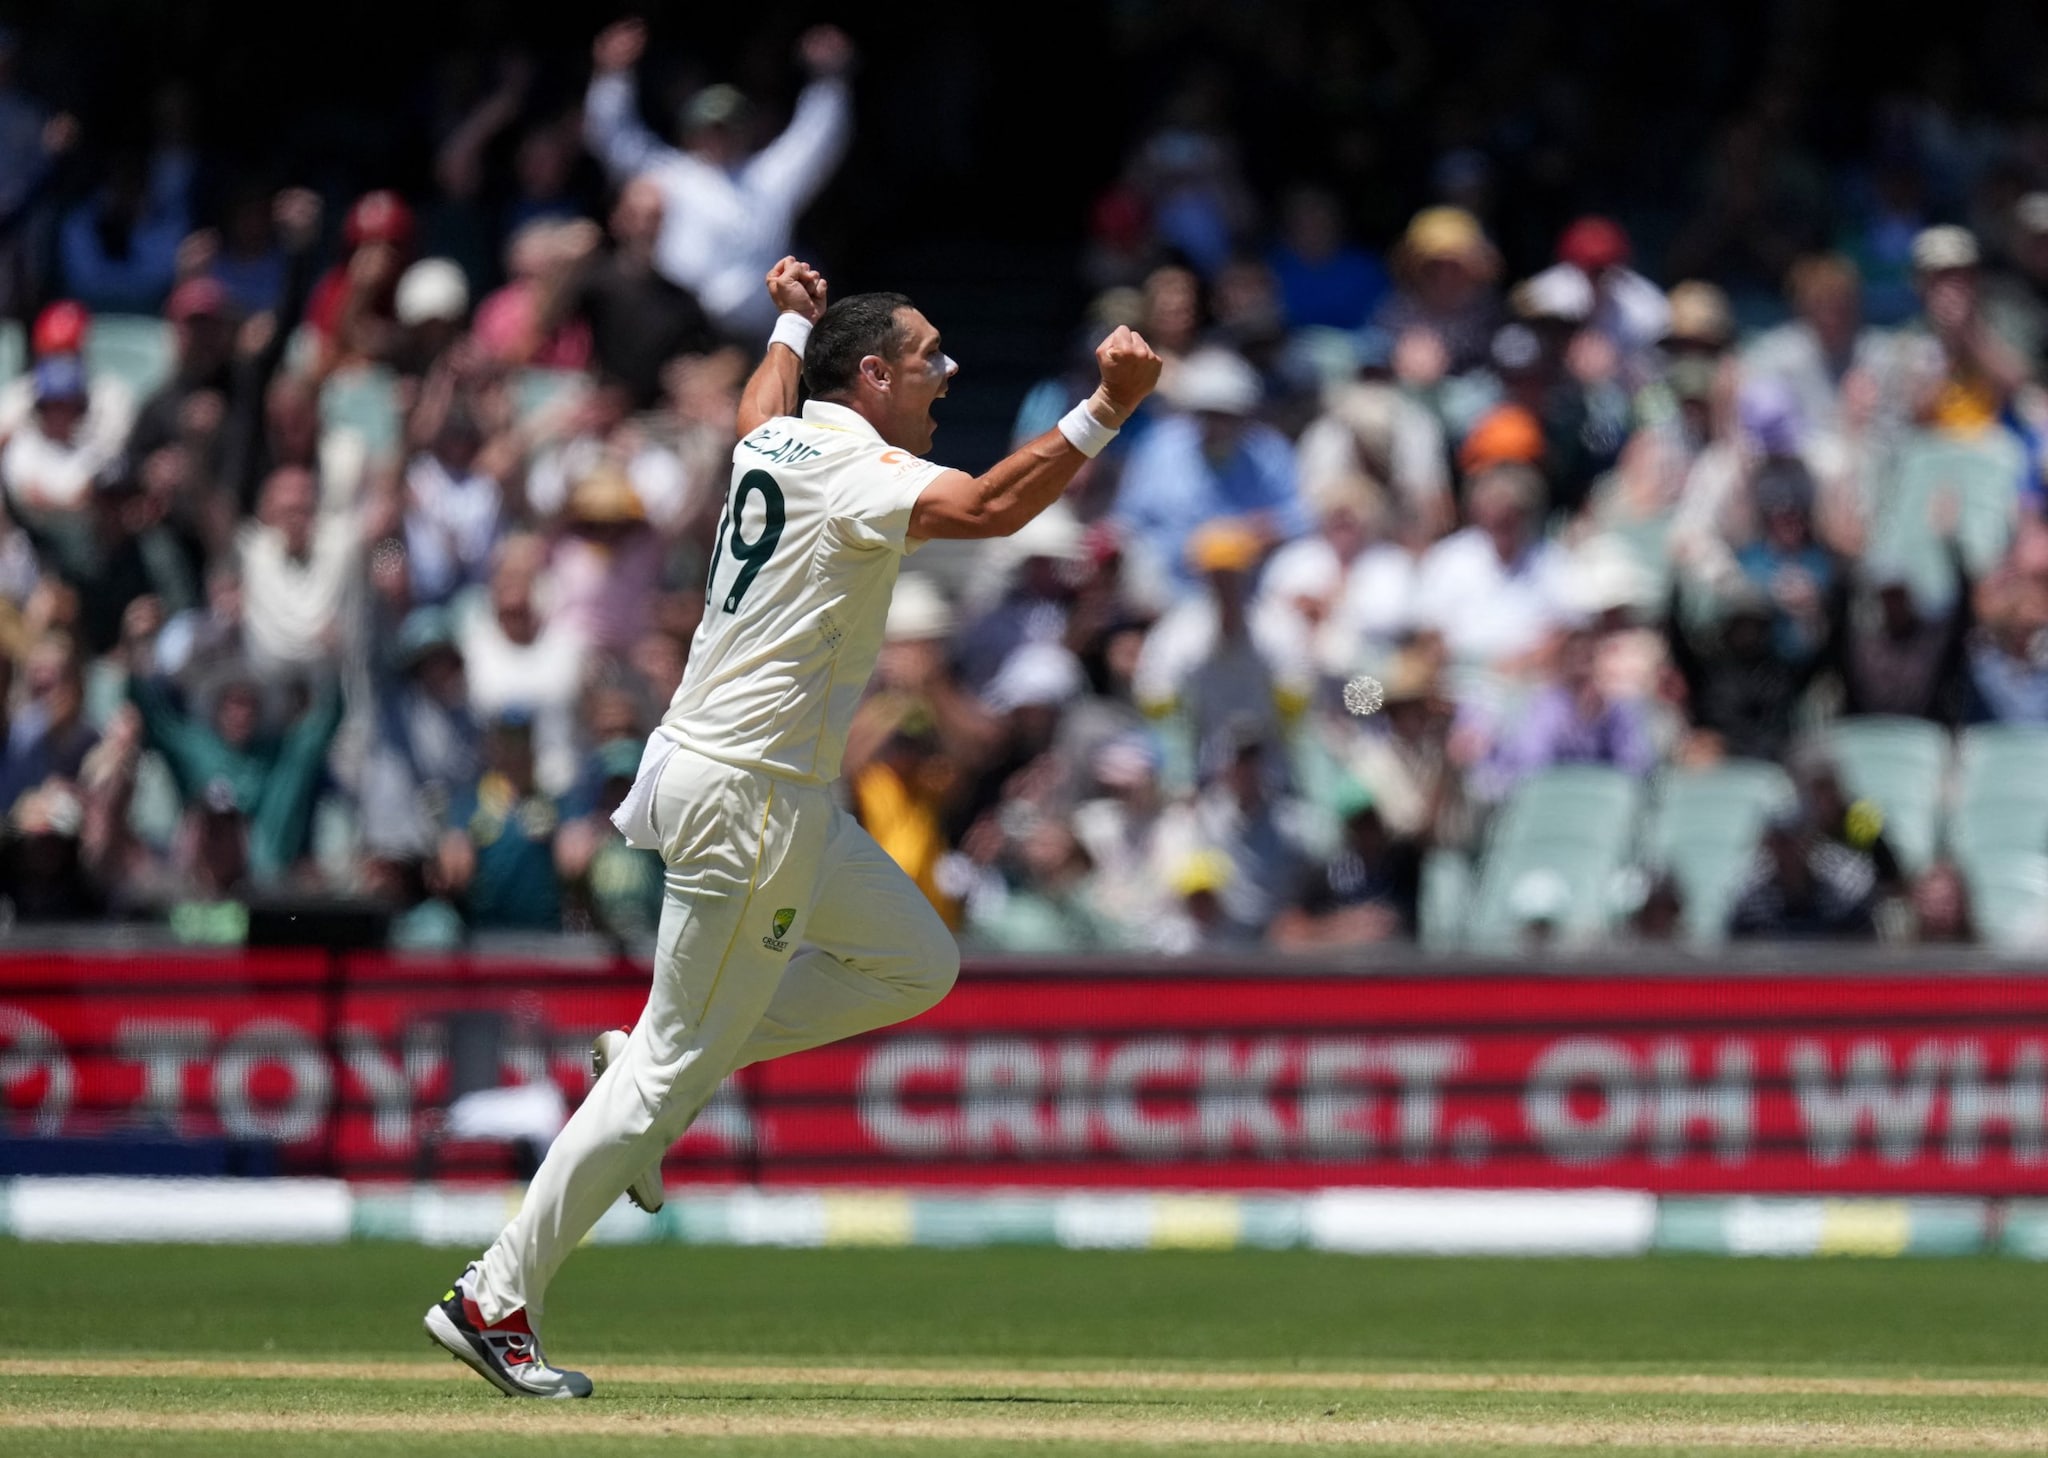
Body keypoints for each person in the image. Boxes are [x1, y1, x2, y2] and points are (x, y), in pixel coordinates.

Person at [423, 261, 1161, 1395]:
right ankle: (493, 1296)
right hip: (750, 793)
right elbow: (996, 506)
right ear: (870, 377)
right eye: (928, 360)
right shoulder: (859, 470)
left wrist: (784, 318)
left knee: (914, 963)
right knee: (668, 1065)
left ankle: (661, 1082)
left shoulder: (775, 442)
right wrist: (1105, 405)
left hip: (762, 788)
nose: (948, 376)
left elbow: (756, 402)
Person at [582, 17, 855, 340]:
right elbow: (612, 135)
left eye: (728, 128)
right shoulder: (668, 170)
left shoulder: (770, 178)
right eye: (709, 128)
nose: (718, 137)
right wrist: (612, 76)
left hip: (753, 335)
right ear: (691, 131)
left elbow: (818, 137)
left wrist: (829, 79)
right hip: (678, 327)